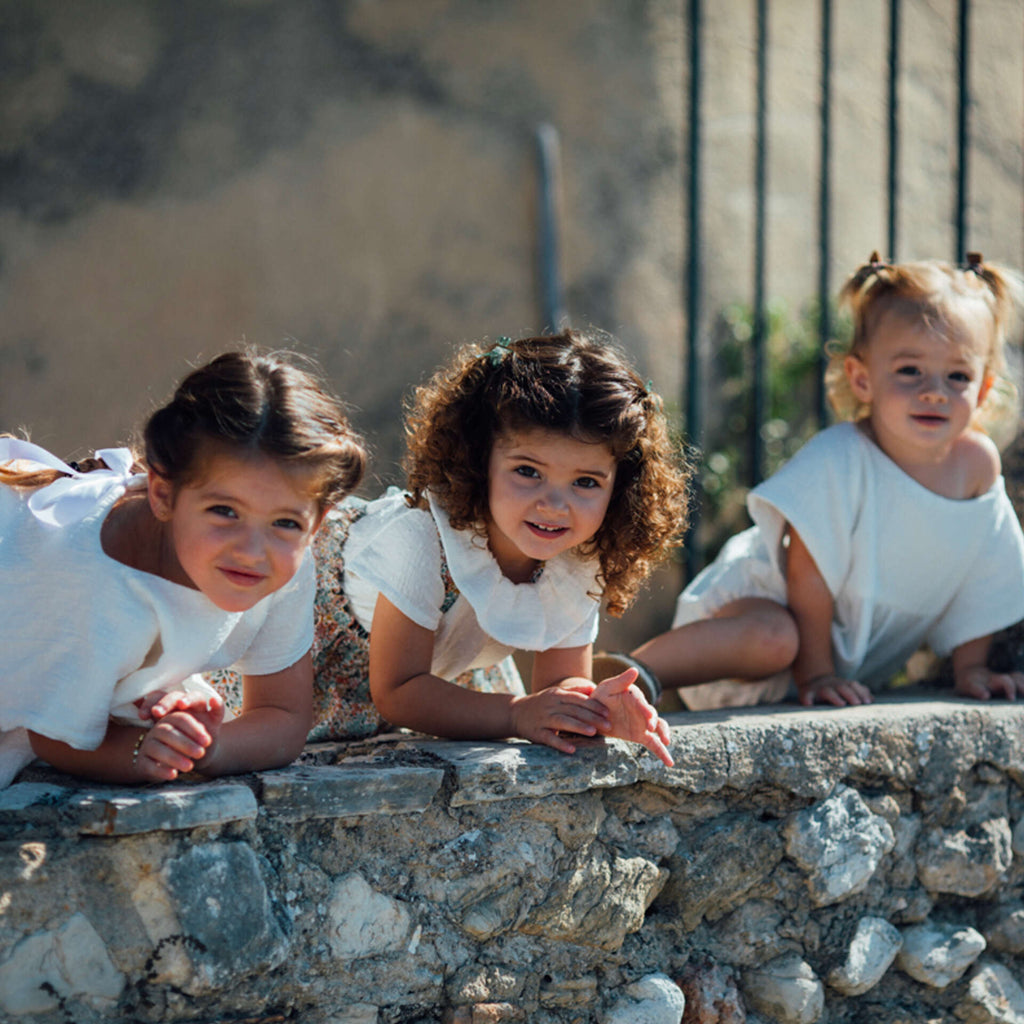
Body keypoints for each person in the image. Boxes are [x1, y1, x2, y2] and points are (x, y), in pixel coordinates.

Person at [223, 330, 688, 766]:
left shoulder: (578, 558)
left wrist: (593, 707)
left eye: (586, 482)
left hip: (446, 685)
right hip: (316, 663)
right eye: (528, 471)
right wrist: (515, 714)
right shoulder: (422, 538)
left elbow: (557, 687)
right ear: (479, 458)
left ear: (620, 487)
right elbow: (399, 690)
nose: (554, 504)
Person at [622, 252, 1024, 709]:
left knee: (784, 640)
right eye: (909, 370)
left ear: (984, 389)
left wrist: (971, 668)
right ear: (862, 378)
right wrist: (817, 671)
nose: (934, 390)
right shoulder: (842, 456)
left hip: (837, 667)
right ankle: (629, 676)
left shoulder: (974, 467)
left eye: (958, 376)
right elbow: (805, 570)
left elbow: (986, 573)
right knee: (775, 637)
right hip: (763, 612)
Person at [0, 349, 366, 787]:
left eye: (286, 522)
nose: (253, 550)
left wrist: (210, 748)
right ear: (163, 494)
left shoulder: (281, 555)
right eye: (224, 511)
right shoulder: (96, 579)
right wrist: (139, 753)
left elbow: (284, 716)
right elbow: (52, 735)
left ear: (315, 524)